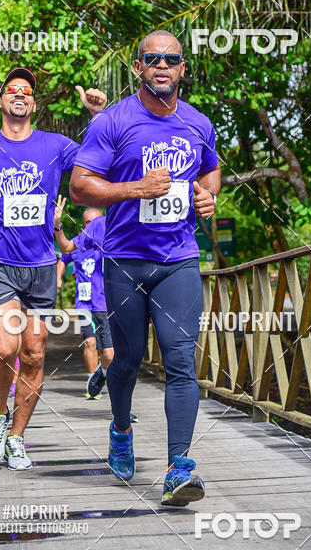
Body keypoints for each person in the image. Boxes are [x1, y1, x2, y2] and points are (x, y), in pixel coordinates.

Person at [69, 31, 221, 505]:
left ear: (182, 69)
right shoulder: (112, 122)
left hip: (178, 259)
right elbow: (80, 186)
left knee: (181, 359)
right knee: (127, 359)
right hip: (124, 261)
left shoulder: (198, 123)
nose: (162, 66)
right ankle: (120, 429)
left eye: (171, 59)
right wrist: (136, 189)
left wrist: (208, 195)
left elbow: (211, 170)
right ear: (138, 67)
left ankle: (179, 467)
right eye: (152, 59)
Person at [0, 66, 106, 470]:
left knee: (33, 354)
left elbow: (100, 159)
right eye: (12, 89)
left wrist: (97, 116)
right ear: (0, 101)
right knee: (5, 346)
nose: (20, 93)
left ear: (33, 104)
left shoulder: (55, 145)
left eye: (27, 91)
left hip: (41, 265)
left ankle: (17, 437)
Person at [54, 201, 113, 398]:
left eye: (94, 222)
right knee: (89, 342)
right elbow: (63, 258)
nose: (91, 226)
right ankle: (92, 384)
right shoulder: (79, 242)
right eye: (87, 222)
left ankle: (101, 373)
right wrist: (58, 278)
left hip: (106, 302)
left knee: (109, 352)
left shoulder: (109, 241)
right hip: (84, 303)